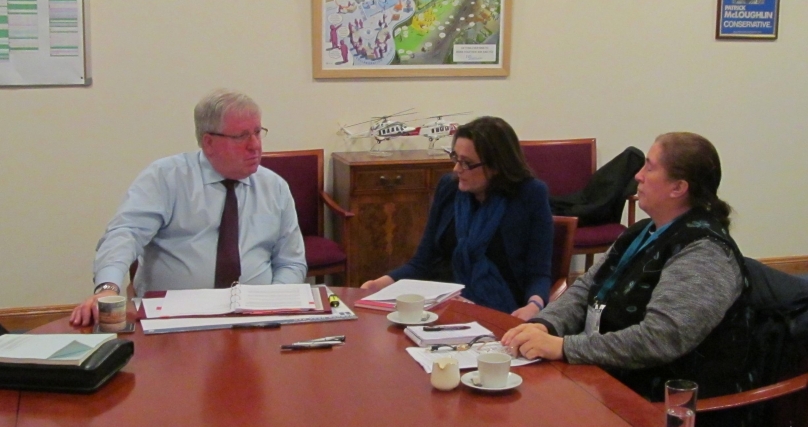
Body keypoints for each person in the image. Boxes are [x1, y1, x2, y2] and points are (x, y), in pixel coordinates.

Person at [502, 132, 754, 402]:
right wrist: (546, 325)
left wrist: (564, 347)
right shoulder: (641, 231)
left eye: (649, 167)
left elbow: (660, 339)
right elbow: (586, 288)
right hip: (609, 380)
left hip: (673, 408)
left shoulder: (705, 253)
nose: (638, 175)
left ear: (678, 188)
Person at [70, 89, 307, 326]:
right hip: (174, 318)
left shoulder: (274, 187)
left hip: (256, 319)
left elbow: (291, 262)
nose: (255, 146)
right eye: (241, 136)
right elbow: (125, 234)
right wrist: (107, 288)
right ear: (209, 142)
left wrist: (273, 302)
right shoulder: (166, 177)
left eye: (257, 132)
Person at [361, 116, 553, 320]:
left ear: (497, 165)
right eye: (455, 158)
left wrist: (534, 305)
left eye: (467, 163)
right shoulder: (449, 188)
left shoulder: (530, 194)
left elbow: (538, 273)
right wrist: (382, 283)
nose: (456, 169)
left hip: (502, 308)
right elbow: (423, 262)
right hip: (442, 304)